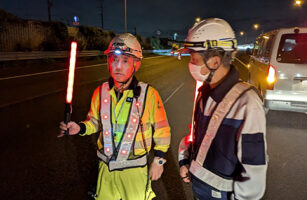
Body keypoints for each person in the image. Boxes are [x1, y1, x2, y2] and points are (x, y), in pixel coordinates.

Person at [59, 33, 171, 200]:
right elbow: (95, 122)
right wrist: (80, 127)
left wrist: (159, 161)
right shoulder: (100, 91)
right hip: (106, 169)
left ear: (136, 64)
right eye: (113, 60)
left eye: (125, 61)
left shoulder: (149, 95)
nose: (118, 66)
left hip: (134, 171)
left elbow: (162, 131)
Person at [178, 18, 267, 200]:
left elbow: (253, 166)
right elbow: (197, 137)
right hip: (199, 190)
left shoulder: (247, 102)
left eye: (193, 58)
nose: (190, 64)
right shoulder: (204, 93)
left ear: (215, 62)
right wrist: (185, 161)